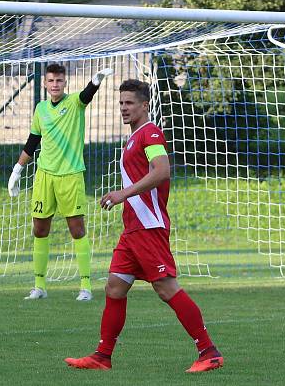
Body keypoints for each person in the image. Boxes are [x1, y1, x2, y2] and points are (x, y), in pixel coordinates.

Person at [64, 79, 224, 372]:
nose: (124, 108)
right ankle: (102, 357)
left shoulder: (149, 133)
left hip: (148, 227)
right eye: (121, 103)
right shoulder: (134, 137)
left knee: (166, 288)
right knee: (114, 287)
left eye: (129, 103)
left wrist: (122, 194)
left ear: (144, 105)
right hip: (133, 230)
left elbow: (162, 171)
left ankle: (208, 352)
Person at [7, 64, 113, 301]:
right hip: (44, 176)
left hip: (71, 175)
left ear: (65, 83)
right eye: (51, 81)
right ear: (45, 83)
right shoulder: (41, 109)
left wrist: (96, 81)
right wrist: (17, 170)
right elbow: (32, 142)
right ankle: (39, 286)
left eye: (59, 81)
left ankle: (85, 287)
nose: (55, 84)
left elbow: (87, 95)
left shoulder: (75, 102)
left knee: (77, 230)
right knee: (39, 229)